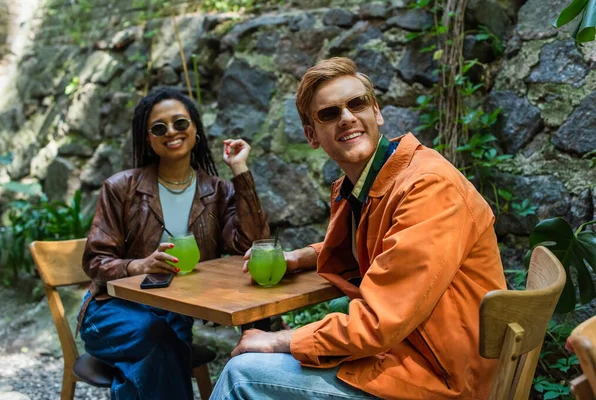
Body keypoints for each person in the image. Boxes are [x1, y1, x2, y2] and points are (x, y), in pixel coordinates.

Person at [210, 57, 507, 400]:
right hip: (410, 356)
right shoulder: (376, 180)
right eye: (329, 114)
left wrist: (278, 340)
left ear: (376, 111)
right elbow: (389, 245)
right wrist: (303, 256)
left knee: (241, 375)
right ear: (312, 135)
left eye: (357, 103)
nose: (347, 117)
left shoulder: (428, 187)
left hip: (442, 379)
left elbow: (381, 320)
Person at [77, 87, 270, 400]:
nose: (171, 132)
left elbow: (250, 245)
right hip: (111, 311)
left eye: (180, 123)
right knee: (159, 339)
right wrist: (138, 265)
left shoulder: (219, 191)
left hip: (172, 311)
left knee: (159, 345)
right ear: (149, 139)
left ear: (195, 129)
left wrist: (240, 171)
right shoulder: (121, 187)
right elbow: (95, 262)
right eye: (158, 128)